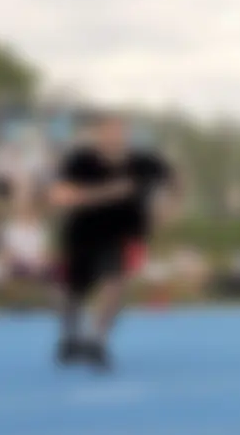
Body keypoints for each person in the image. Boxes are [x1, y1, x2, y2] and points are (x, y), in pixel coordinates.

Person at [50, 111, 173, 370]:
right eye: (108, 130)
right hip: (82, 235)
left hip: (121, 236)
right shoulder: (81, 162)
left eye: (120, 130)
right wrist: (108, 193)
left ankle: (98, 340)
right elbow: (62, 196)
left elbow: (171, 181)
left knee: (115, 282)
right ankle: (69, 336)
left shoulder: (142, 162)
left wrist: (167, 208)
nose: (115, 136)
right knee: (72, 292)